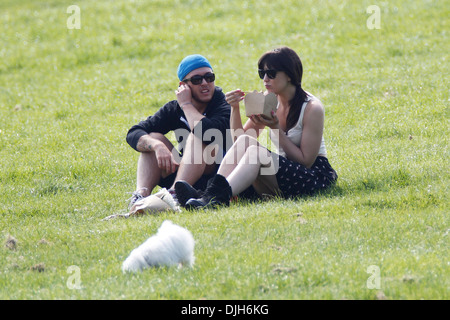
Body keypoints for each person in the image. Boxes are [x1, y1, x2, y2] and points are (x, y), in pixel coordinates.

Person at [175, 47, 337, 209]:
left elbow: (305, 161)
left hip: (312, 177)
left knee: (256, 152)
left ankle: (214, 197)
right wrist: (235, 108)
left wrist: (275, 129)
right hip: (279, 178)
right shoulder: (268, 100)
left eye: (271, 74)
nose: (265, 79)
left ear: (289, 75)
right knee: (247, 142)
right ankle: (210, 195)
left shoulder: (312, 108)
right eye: (262, 73)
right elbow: (239, 141)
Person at [126, 54, 231, 208]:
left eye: (209, 77)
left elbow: (208, 134)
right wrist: (156, 146)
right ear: (183, 85)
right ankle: (141, 196)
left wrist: (187, 105)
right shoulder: (174, 109)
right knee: (153, 137)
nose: (205, 83)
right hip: (188, 173)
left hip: (216, 178)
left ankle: (174, 195)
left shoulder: (223, 104)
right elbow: (134, 132)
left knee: (198, 136)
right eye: (197, 80)